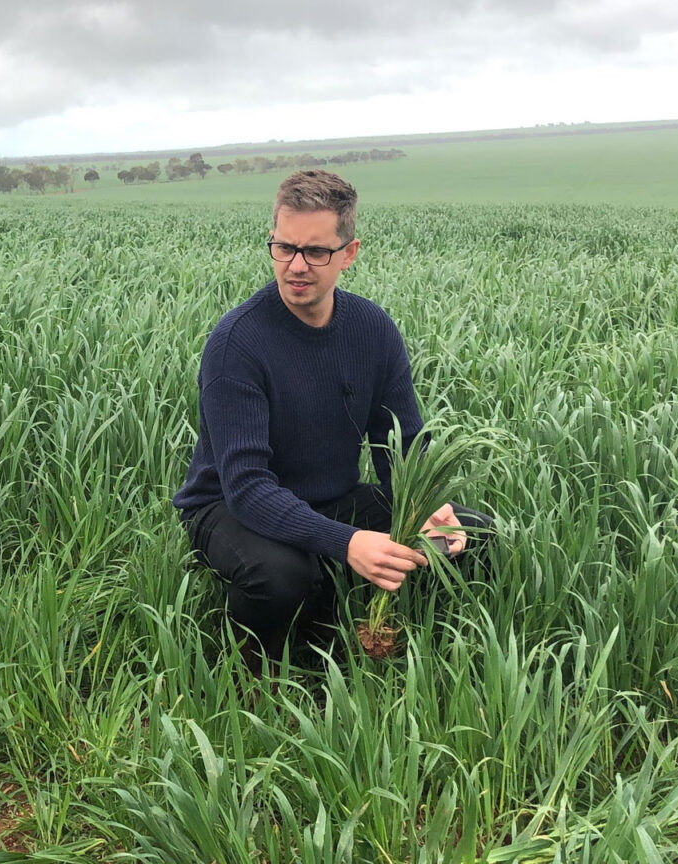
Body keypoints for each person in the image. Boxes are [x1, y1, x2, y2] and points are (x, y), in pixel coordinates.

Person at [173, 170, 491, 672]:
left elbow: (402, 444)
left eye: (316, 252)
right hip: (229, 507)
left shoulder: (372, 329)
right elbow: (247, 486)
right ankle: (253, 671)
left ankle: (400, 634)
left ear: (349, 252)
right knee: (284, 579)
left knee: (470, 533)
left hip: (331, 497)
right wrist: (346, 543)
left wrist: (426, 509)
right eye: (284, 248)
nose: (296, 266)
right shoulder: (238, 343)